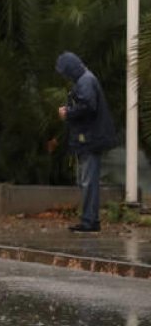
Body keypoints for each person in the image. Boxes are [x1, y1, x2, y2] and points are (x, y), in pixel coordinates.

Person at [55, 52, 117, 233]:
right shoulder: (85, 80)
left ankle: (89, 222)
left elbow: (88, 106)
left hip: (90, 139)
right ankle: (90, 220)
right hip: (90, 138)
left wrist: (68, 112)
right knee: (87, 180)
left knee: (88, 181)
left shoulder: (85, 82)